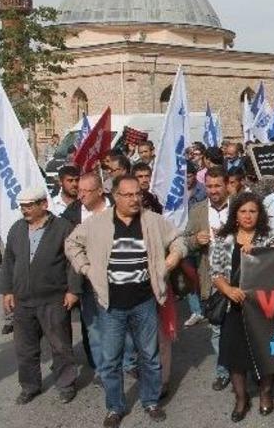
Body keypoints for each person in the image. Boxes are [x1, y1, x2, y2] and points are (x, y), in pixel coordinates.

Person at [65, 175, 186, 427]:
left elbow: (178, 240)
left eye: (137, 194)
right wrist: (86, 268)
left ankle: (151, 401)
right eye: (128, 195)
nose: (134, 199)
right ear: (116, 196)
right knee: (110, 361)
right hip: (110, 305)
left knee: (150, 357)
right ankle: (115, 407)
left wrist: (173, 258)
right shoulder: (97, 223)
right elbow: (71, 243)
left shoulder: (152, 221)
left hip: (145, 301)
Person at [0, 187, 80, 405]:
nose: (24, 210)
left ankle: (65, 384)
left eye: (29, 206)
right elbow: (8, 262)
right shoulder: (17, 229)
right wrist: (7, 291)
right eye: (22, 206)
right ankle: (30, 386)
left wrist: (73, 290)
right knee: (25, 349)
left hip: (53, 299)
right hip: (23, 300)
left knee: (60, 345)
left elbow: (74, 262)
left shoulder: (63, 228)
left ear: (43, 204)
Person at [209, 192, 274, 422]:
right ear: (235, 214)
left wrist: (259, 253)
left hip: (262, 307)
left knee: (264, 353)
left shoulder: (270, 237)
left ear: (259, 214)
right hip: (234, 307)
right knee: (234, 355)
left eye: (253, 211)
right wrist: (228, 290)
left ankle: (265, 393)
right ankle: (241, 398)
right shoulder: (223, 237)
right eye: (243, 211)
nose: (248, 216)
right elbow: (215, 272)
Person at [61, 172, 113, 374]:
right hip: (88, 281)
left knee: (122, 325)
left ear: (100, 191)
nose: (81, 195)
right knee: (94, 329)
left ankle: (129, 364)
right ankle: (103, 370)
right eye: (79, 191)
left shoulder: (118, 207)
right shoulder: (72, 213)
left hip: (118, 278)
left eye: (86, 191)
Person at [183, 166, 230, 390]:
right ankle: (223, 371)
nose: (213, 190)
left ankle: (246, 368)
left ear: (227, 185)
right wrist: (196, 241)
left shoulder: (241, 206)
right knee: (217, 327)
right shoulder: (198, 210)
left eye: (217, 185)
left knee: (242, 326)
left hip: (240, 276)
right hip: (211, 277)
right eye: (209, 186)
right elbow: (185, 240)